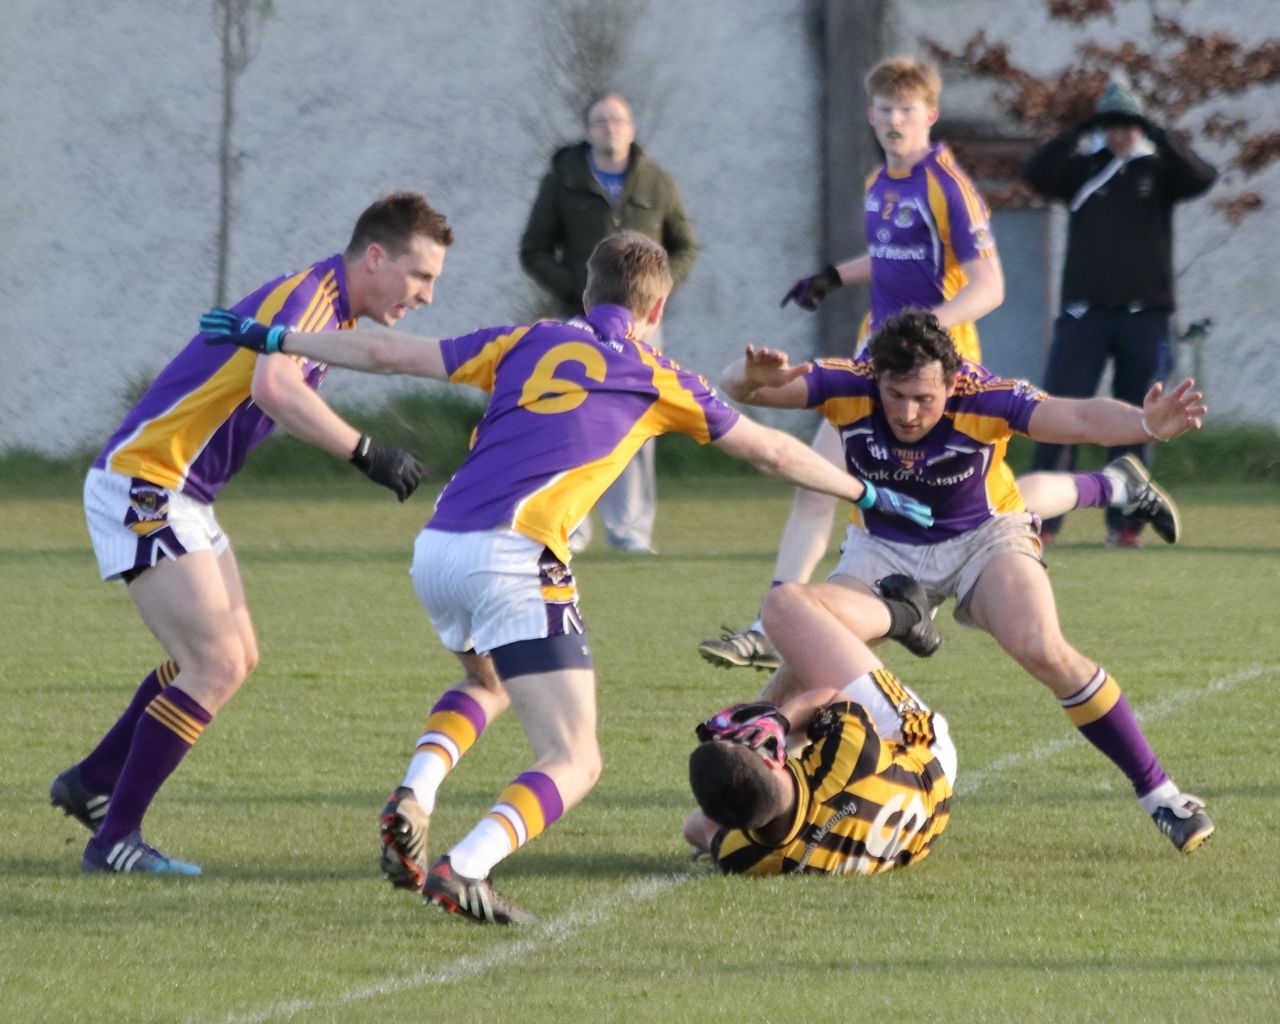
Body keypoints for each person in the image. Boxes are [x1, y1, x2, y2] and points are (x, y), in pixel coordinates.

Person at [200, 231, 935, 923]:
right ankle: (465, 867)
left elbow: (391, 352)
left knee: (486, 683)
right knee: (575, 758)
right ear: (656, 309)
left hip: (439, 547)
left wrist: (276, 338)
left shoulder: (527, 338)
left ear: (589, 296)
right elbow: (772, 453)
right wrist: (864, 492)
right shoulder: (656, 372)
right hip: (515, 557)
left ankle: (416, 795)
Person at [696, 57, 1175, 669]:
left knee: (994, 504)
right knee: (818, 487)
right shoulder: (880, 183)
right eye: (886, 110)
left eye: (907, 110)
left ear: (930, 115)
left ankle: (1110, 485)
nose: (896, 121)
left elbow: (989, 285)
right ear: (871, 115)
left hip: (937, 374)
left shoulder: (947, 185)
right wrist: (833, 277)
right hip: (881, 365)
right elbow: (892, 257)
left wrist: (926, 330)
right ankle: (774, 625)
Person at [50, 192, 451, 875]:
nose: (426, 295)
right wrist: (366, 452)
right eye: (421, 277)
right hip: (146, 481)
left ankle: (93, 780)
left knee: (233, 655)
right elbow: (275, 387)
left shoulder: (328, 302)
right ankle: (114, 838)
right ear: (376, 257)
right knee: (215, 664)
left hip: (185, 493)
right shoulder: (312, 298)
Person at [716, 308, 1214, 855]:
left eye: (924, 399)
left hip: (984, 537)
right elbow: (749, 392)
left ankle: (1160, 794)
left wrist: (1145, 424)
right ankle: (747, 788)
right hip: (880, 551)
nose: (907, 413)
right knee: (808, 638)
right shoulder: (848, 384)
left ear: (951, 383)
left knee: (1041, 647)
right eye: (895, 395)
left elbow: (1077, 419)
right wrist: (748, 378)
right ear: (876, 377)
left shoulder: (984, 396)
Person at [1022, 75, 1218, 548]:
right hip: (1084, 316)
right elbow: (1035, 172)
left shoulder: (1159, 171)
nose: (1120, 132)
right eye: (1112, 123)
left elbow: (1202, 176)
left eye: (1127, 123)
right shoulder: (1087, 169)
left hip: (1144, 316)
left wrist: (1153, 130)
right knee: (1060, 412)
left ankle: (1126, 523)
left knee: (1138, 417)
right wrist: (1083, 127)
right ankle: (1041, 522)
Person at [520, 90, 699, 554]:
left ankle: (631, 532)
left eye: (618, 120)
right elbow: (534, 249)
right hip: (581, 322)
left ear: (632, 128)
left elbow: (686, 246)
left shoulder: (656, 181)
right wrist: (574, 291)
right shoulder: (562, 180)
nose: (610, 129)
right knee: (572, 420)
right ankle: (570, 527)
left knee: (639, 421)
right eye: (600, 121)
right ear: (587, 130)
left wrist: (658, 289)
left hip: (643, 328)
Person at [684, 640, 954, 877]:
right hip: (928, 768)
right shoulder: (846, 761)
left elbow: (695, 829)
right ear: (770, 761)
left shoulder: (742, 857)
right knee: (789, 613)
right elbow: (829, 697)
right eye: (750, 744)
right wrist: (777, 723)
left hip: (913, 835)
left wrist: (729, 793)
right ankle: (900, 615)